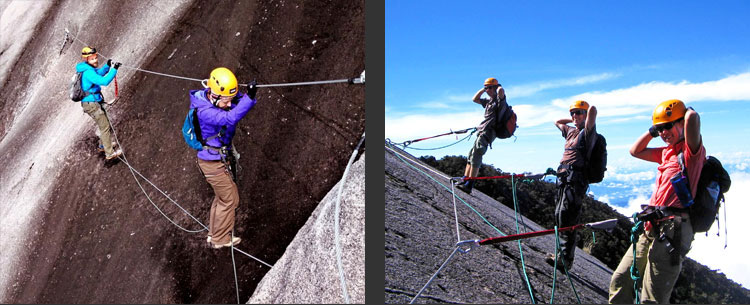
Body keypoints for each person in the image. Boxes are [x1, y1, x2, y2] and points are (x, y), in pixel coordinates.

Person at [609, 99, 703, 304]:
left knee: (652, 298)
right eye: (659, 128)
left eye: (668, 126)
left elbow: (693, 118)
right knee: (620, 279)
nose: (663, 133)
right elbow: (635, 151)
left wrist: (685, 113)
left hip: (673, 229)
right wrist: (654, 130)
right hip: (651, 224)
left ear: (681, 123)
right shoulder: (666, 153)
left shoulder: (691, 153)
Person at [191, 67, 257, 249]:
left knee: (222, 198)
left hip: (214, 159)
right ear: (214, 94)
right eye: (226, 100)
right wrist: (249, 98)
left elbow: (233, 106)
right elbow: (229, 118)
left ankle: (214, 234)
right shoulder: (205, 111)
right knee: (230, 200)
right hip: (212, 163)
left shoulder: (212, 100)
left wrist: (246, 96)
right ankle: (220, 239)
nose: (229, 104)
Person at [546, 100, 598, 271]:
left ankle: (565, 259)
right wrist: (574, 119)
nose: (575, 115)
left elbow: (593, 111)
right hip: (564, 178)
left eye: (578, 113)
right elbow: (557, 122)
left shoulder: (588, 133)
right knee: (559, 215)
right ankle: (561, 255)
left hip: (575, 181)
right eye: (572, 113)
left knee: (567, 216)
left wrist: (585, 113)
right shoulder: (570, 132)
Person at [454, 77, 508, 194]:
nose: (487, 90)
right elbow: (475, 99)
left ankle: (469, 185)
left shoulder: (499, 102)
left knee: (477, 155)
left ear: (494, 88)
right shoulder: (488, 102)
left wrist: (496, 86)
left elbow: (501, 92)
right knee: (471, 155)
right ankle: (465, 179)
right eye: (486, 87)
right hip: (482, 130)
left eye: (488, 88)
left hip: (489, 132)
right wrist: (484, 89)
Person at [76, 46, 122, 160]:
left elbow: (99, 73)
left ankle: (103, 145)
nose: (95, 60)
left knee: (104, 124)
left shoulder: (87, 68)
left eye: (95, 57)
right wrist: (114, 69)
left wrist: (107, 66)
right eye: (92, 59)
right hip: (92, 104)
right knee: (105, 126)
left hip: (92, 103)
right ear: (86, 59)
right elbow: (104, 81)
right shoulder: (87, 72)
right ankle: (109, 153)